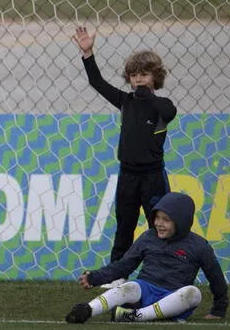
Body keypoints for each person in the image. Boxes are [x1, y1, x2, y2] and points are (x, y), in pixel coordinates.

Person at [72, 26, 177, 288]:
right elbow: (97, 82)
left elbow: (164, 109)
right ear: (128, 78)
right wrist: (88, 54)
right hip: (128, 175)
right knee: (124, 226)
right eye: (134, 75)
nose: (138, 79)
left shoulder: (163, 106)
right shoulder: (125, 102)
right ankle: (117, 275)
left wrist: (144, 93)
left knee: (159, 228)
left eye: (144, 74)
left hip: (153, 176)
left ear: (155, 77)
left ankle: (162, 275)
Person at [65, 192, 228, 323]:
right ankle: (87, 309)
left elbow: (216, 277)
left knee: (193, 293)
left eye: (166, 220)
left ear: (182, 221)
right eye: (157, 218)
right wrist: (95, 278)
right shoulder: (148, 237)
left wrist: (218, 309)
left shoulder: (199, 245)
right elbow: (124, 265)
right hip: (145, 291)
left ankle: (135, 316)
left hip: (172, 298)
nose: (159, 223)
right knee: (130, 286)